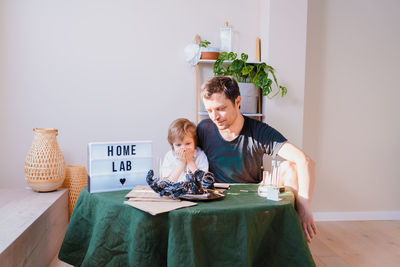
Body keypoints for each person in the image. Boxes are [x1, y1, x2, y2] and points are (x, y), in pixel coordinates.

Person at [197, 76, 317, 242]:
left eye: (221, 108)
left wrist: (305, 206)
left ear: (237, 101)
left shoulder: (259, 131)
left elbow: (305, 161)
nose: (214, 116)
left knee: (290, 167)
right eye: (209, 110)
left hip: (251, 196)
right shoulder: (204, 129)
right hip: (217, 197)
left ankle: (293, 237)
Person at [161, 118, 209, 183]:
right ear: (173, 146)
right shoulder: (169, 157)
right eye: (178, 145)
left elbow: (203, 182)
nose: (184, 148)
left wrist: (190, 161)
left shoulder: (200, 156)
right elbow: (168, 182)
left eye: (188, 144)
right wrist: (182, 162)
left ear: (195, 143)